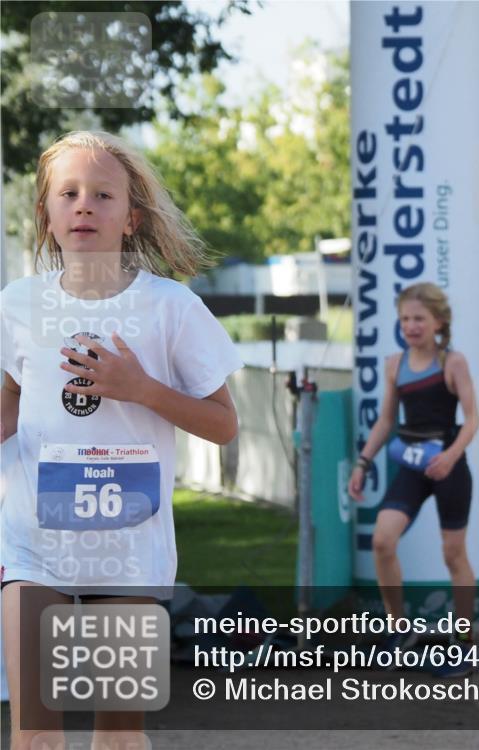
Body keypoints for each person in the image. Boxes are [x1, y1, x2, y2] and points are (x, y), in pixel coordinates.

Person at [1, 131, 242, 750]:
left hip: (129, 550)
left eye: (103, 195)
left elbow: (223, 424)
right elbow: (9, 402)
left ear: (131, 217)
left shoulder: (170, 308)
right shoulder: (18, 305)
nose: (84, 205)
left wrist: (140, 387)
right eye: (69, 193)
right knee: (34, 736)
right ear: (47, 214)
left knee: (118, 738)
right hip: (35, 545)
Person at [348, 282, 479, 677]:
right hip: (410, 464)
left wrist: (450, 456)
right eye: (405, 318)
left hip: (448, 465)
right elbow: (387, 420)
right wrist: (363, 463)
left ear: (438, 321)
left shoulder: (453, 362)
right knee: (382, 541)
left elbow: (473, 420)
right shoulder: (394, 364)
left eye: (419, 318)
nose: (411, 325)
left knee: (453, 554)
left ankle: (465, 643)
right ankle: (398, 630)